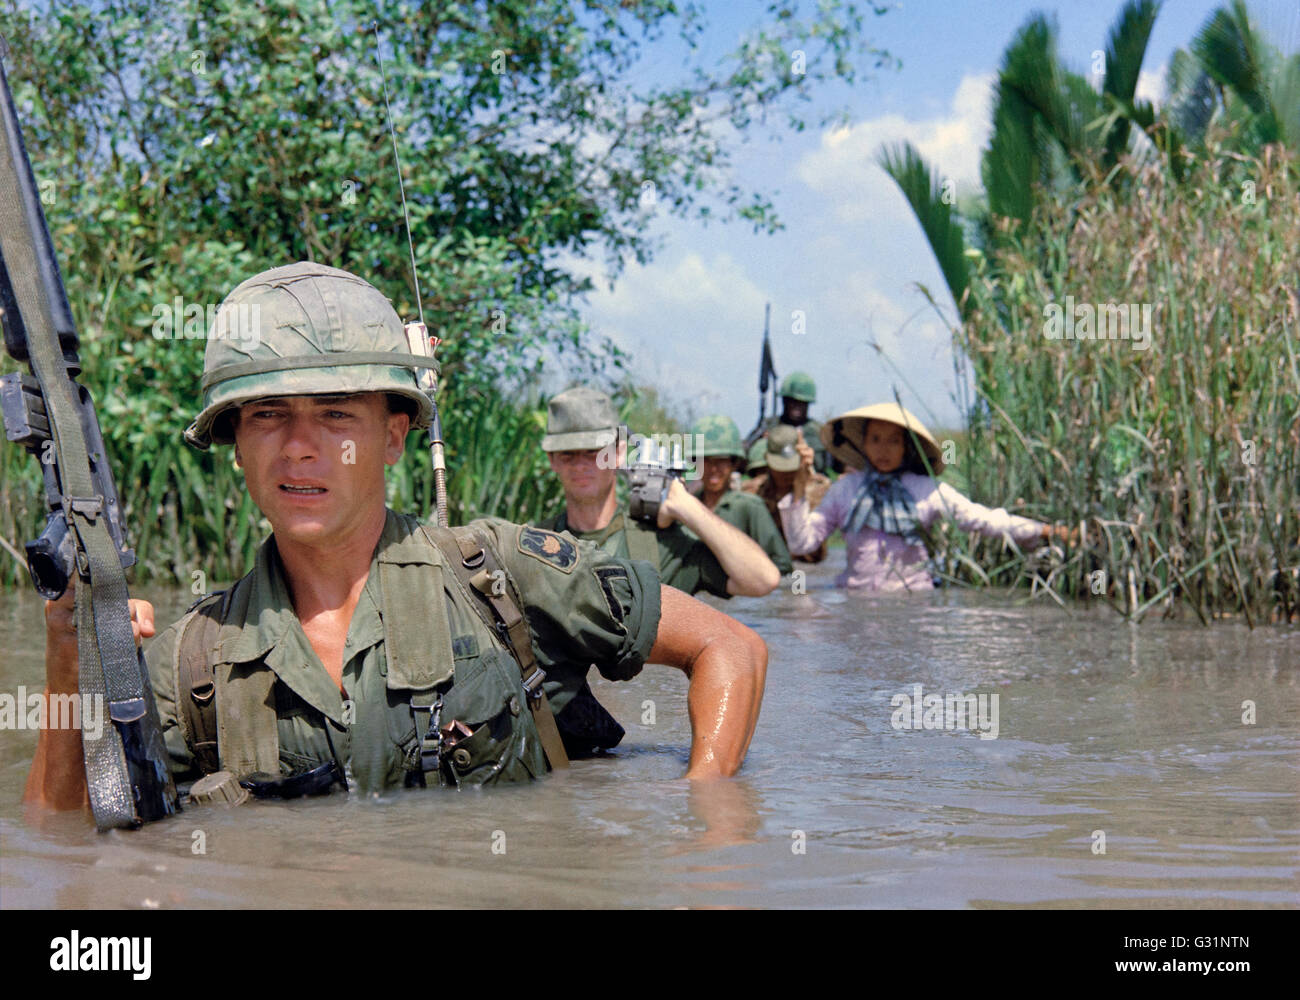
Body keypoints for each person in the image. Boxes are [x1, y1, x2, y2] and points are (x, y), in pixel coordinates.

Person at [25, 263, 768, 815]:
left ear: (394, 436)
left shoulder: (497, 575)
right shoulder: (190, 662)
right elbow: (63, 841)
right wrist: (72, 656)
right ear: (236, 445)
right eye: (267, 415)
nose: (299, 446)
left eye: (337, 414)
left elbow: (731, 646)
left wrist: (708, 829)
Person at [780, 402, 1071, 590]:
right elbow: (801, 542)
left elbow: (982, 519)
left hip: (912, 600)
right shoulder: (846, 490)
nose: (884, 449)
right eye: (876, 440)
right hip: (855, 601)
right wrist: (797, 485)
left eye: (894, 441)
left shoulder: (926, 490)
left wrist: (1046, 531)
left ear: (907, 447)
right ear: (863, 444)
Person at [538, 388, 781, 599]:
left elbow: (763, 580)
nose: (580, 464)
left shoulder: (665, 544)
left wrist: (684, 504)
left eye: (593, 452)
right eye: (567, 453)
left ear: (620, 452)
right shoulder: (533, 545)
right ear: (552, 460)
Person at [686, 415, 791, 576]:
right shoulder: (687, 506)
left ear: (734, 463)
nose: (713, 469)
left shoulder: (749, 506)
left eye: (721, 461)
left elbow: (782, 565)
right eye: (705, 461)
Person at [742, 424, 831, 564]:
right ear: (767, 459)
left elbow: (812, 554)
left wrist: (801, 484)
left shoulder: (820, 491)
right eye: (780, 467)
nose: (785, 473)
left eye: (790, 466)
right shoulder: (751, 494)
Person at [755, 371, 829, 475]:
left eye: (802, 403)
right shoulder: (768, 426)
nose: (797, 407)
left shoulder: (820, 431)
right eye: (792, 401)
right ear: (784, 401)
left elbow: (839, 464)